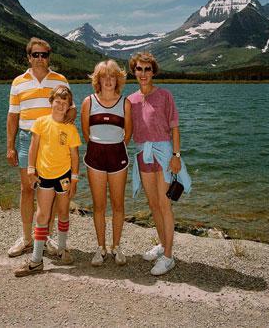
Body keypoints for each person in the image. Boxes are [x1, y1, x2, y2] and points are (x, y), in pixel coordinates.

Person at [6, 37, 76, 258]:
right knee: (27, 189)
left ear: (49, 57)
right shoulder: (18, 82)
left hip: (53, 142)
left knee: (53, 191)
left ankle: (44, 237)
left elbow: (71, 110)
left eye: (43, 54)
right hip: (28, 139)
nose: (39, 58)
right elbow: (13, 116)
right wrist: (10, 146)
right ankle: (27, 238)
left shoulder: (60, 80)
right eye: (35, 54)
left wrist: (65, 125)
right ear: (28, 57)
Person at [127, 51, 192, 276]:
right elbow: (127, 132)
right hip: (142, 154)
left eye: (147, 69)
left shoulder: (165, 95)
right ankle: (163, 245)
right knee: (153, 204)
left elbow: (174, 127)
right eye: (139, 69)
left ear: (153, 72)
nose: (143, 73)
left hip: (164, 153)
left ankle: (169, 257)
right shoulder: (131, 100)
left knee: (165, 205)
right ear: (133, 71)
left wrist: (176, 155)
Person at [14, 86, 82, 277]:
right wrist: (30, 169)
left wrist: (75, 179)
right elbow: (33, 147)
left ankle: (62, 248)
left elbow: (75, 155)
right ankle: (36, 261)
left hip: (64, 178)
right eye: (58, 102)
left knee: (62, 212)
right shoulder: (41, 122)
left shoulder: (70, 128)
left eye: (65, 103)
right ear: (51, 102)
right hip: (44, 176)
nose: (61, 106)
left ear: (69, 106)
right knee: (42, 215)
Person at [80, 60, 131, 267]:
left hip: (118, 156)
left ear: (118, 79)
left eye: (112, 76)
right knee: (99, 205)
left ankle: (116, 247)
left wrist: (115, 146)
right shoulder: (88, 102)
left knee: (118, 205)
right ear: (97, 80)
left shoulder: (125, 103)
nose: (108, 80)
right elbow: (86, 133)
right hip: (95, 158)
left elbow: (128, 134)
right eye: (104, 76)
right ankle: (100, 248)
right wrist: (101, 145)